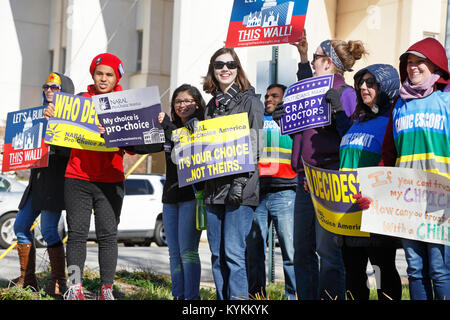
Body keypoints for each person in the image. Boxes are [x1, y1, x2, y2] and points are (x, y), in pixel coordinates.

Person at [44, 53, 157, 300]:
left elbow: (135, 146)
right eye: (99, 73)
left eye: (109, 74)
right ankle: (74, 287)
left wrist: (129, 132)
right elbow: (61, 137)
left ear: (117, 77)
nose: (103, 78)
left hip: (111, 179)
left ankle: (107, 288)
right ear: (92, 74)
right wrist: (53, 118)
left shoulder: (126, 104)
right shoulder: (78, 101)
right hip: (78, 177)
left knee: (108, 236)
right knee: (77, 235)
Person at [273, 30, 367, 300]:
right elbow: (305, 135)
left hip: (329, 179)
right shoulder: (309, 91)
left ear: (328, 62)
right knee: (301, 250)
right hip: (303, 179)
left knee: (328, 252)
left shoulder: (345, 93)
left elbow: (350, 138)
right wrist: (285, 122)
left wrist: (339, 113)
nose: (312, 62)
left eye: (315, 58)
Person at [376, 37, 450, 300]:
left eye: (420, 62)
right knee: (415, 269)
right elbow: (388, 153)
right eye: (409, 62)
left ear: (435, 65)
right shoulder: (400, 104)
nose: (413, 68)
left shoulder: (447, 100)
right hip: (407, 200)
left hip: (442, 200)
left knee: (441, 270)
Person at [202, 47, 264, 300]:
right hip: (213, 189)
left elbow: (255, 145)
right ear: (213, 71)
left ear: (238, 69)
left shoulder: (251, 101)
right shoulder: (211, 106)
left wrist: (239, 182)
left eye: (230, 64)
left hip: (242, 188)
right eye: (219, 65)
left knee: (233, 253)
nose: (225, 69)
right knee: (216, 254)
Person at [339, 64, 402, 300]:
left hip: (377, 211)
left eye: (371, 83)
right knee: (354, 273)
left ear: (385, 86)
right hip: (348, 211)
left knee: (381, 271)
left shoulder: (392, 120)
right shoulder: (358, 120)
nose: (363, 87)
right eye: (361, 83)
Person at [13, 72, 74, 296]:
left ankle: (58, 281)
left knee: (48, 230)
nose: (49, 90)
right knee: (20, 226)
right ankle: (27, 281)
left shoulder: (71, 119)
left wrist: (55, 125)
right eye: (47, 86)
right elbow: (24, 146)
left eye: (55, 87)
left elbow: (70, 152)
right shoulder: (35, 116)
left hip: (55, 183)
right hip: (36, 183)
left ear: (64, 91)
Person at [246, 84, 297, 300]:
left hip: (285, 191)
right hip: (257, 193)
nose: (268, 99)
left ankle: (293, 296)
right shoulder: (256, 119)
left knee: (290, 252)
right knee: (254, 251)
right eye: (267, 96)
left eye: (274, 96)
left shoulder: (292, 120)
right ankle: (256, 297)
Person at [156, 84, 206, 300]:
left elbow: (184, 145)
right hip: (169, 198)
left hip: (191, 198)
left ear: (197, 103)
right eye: (178, 101)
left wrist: (167, 127)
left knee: (188, 252)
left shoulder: (201, 126)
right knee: (173, 254)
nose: (182, 105)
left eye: (187, 101)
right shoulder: (169, 128)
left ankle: (192, 299)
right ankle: (179, 297)